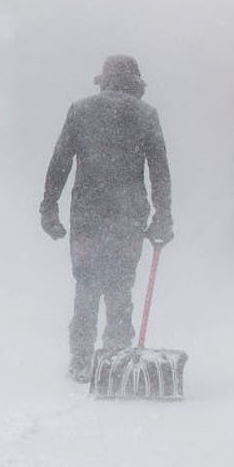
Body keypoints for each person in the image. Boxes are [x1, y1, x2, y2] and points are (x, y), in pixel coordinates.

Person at [39, 54, 173, 383]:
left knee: (86, 285)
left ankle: (82, 360)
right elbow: (159, 172)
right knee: (119, 285)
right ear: (135, 83)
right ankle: (115, 358)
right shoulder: (146, 115)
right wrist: (163, 216)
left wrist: (49, 207)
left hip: (87, 214)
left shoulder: (80, 111)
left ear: (104, 81)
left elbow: (60, 162)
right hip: (128, 217)